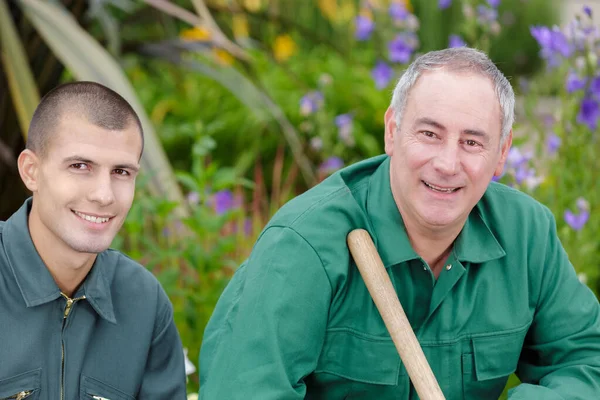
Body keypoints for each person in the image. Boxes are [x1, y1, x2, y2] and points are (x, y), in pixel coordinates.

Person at [199, 47, 600, 399]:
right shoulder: (303, 247)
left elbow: (585, 362)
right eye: (429, 133)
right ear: (392, 131)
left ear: (502, 153)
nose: (447, 164)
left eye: (472, 142)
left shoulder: (527, 235)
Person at [0, 82, 187, 399]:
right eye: (80, 166)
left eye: (121, 172)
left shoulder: (143, 302)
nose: (103, 195)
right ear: (31, 171)